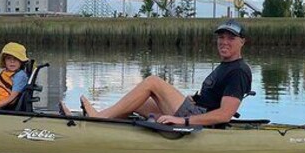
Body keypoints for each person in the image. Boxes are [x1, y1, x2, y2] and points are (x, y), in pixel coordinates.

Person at [62, 19, 251, 127]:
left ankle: (96, 120)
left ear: (242, 41)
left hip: (201, 123)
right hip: (197, 111)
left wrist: (182, 120)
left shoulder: (239, 71)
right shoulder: (225, 66)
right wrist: (195, 99)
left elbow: (224, 115)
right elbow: (213, 99)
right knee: (140, 101)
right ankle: (97, 120)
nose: (224, 42)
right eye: (221, 37)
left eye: (231, 38)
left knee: (153, 82)